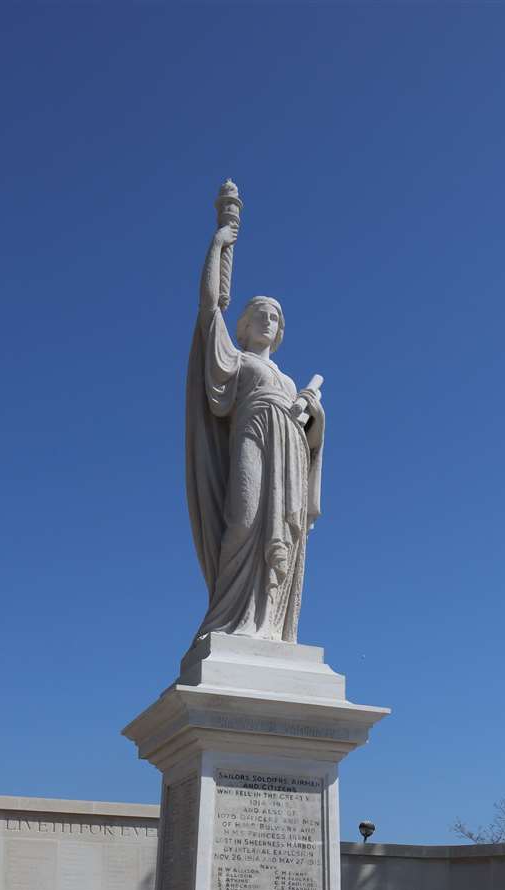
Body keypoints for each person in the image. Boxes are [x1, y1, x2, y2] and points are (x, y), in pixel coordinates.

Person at [186, 198, 325, 644]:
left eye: (275, 317)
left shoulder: (286, 378)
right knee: (242, 520)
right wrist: (220, 243)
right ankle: (226, 620)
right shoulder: (239, 361)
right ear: (244, 326)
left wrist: (313, 416)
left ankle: (269, 626)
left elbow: (311, 435)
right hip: (254, 432)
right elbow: (210, 312)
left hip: (289, 451)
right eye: (260, 314)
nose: (268, 319)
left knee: (281, 532)